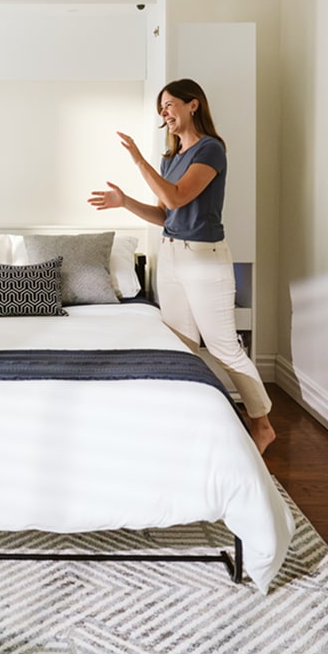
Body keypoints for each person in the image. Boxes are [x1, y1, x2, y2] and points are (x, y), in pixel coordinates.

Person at [87, 77, 276, 454]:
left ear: (194, 105)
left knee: (224, 346)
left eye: (170, 103)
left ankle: (262, 424)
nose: (164, 112)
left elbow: (176, 198)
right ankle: (192, 419)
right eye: (161, 107)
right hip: (172, 254)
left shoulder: (211, 150)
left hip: (204, 259)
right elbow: (164, 215)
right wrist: (125, 202)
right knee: (181, 344)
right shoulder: (170, 159)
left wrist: (138, 160)